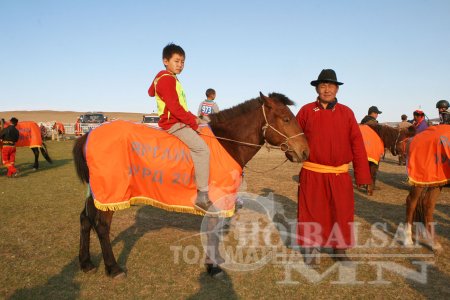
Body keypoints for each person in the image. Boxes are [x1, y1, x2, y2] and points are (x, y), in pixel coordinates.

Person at [295, 69, 371, 265]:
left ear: (337, 89)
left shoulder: (346, 112)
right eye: (322, 85)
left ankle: (339, 250)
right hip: (312, 172)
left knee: (341, 212)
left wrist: (363, 176)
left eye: (330, 85)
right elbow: (294, 137)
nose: (326, 89)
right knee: (311, 211)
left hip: (339, 174)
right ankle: (311, 250)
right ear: (317, 88)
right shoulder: (305, 111)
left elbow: (357, 143)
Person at [148, 43, 213, 213]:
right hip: (173, 124)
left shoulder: (166, 78)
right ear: (165, 61)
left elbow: (178, 106)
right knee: (202, 150)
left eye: (183, 62)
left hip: (176, 119)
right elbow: (175, 108)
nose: (180, 65)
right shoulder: (168, 79)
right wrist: (192, 123)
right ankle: (202, 196)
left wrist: (195, 118)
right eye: (176, 61)